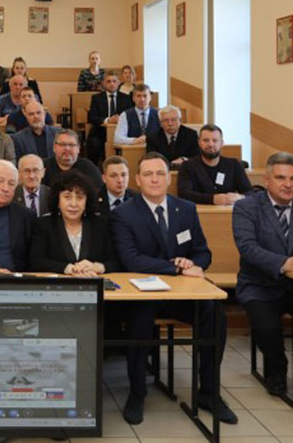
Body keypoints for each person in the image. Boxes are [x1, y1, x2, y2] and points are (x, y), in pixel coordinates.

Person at [111, 152, 237, 426]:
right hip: (142, 296)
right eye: (148, 174)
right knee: (139, 322)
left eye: (160, 174)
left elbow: (203, 252)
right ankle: (137, 393)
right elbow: (131, 259)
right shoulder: (123, 214)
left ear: (169, 178)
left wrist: (194, 263)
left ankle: (209, 393)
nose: (155, 179)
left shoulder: (186, 209)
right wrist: (176, 267)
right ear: (137, 179)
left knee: (215, 314)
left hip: (182, 295)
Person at [233, 152, 293, 396]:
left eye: (292, 179)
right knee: (267, 329)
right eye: (281, 178)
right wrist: (285, 264)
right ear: (267, 180)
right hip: (259, 285)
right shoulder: (246, 207)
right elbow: (248, 248)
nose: (288, 184)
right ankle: (277, 369)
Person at [29, 170, 120, 274]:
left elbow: (116, 262)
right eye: (67, 197)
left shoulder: (101, 225)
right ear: (57, 200)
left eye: (80, 197)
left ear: (87, 201)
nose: (73, 204)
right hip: (59, 283)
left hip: (94, 280)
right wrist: (68, 268)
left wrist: (98, 267)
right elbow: (35, 262)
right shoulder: (44, 225)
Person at [177, 124, 251, 205]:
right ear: (199, 142)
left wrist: (240, 197)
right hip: (199, 211)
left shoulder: (234, 165)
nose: (210, 144)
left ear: (222, 143)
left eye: (215, 140)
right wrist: (212, 199)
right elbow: (184, 194)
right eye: (206, 140)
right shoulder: (187, 166)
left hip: (228, 211)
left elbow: (250, 192)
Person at [86, 70, 133, 164]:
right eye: (108, 81)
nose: (112, 84)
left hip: (121, 131)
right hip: (100, 131)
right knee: (94, 144)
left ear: (118, 83)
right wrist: (108, 120)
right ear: (103, 83)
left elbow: (130, 116)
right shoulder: (96, 98)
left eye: (114, 81)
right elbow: (91, 117)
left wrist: (120, 119)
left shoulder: (126, 98)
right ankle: (94, 168)